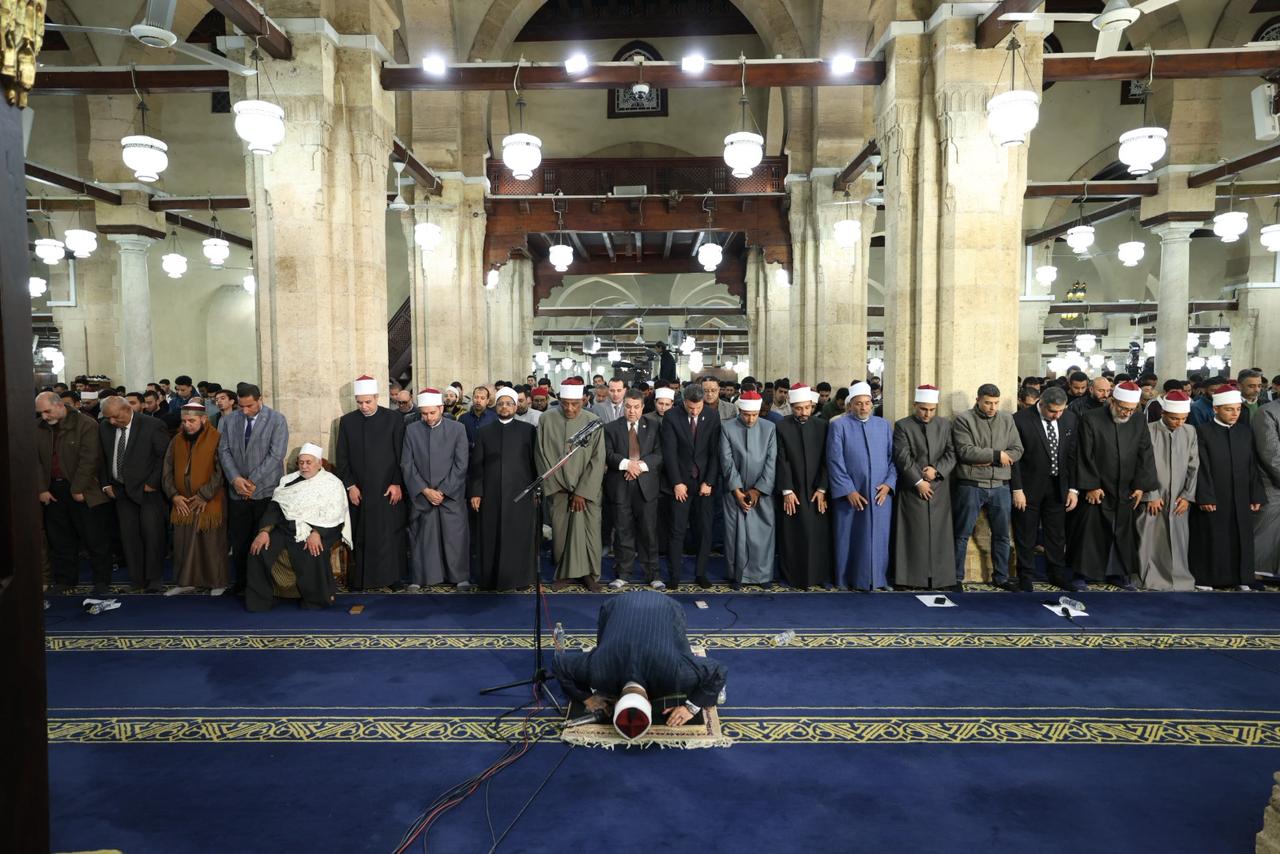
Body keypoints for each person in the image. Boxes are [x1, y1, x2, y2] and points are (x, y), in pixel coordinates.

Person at [552, 590, 727, 734]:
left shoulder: (673, 674)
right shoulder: (598, 671)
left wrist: (691, 708)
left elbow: (719, 670)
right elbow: (558, 664)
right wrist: (588, 698)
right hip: (616, 605)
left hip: (666, 607)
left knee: (683, 653)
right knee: (604, 647)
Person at [1071, 381, 1159, 590]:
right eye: (1123, 408)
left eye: (1131, 409)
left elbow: (1145, 452)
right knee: (1090, 533)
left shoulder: (1138, 419)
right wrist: (1091, 485)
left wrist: (1140, 486)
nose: (1126, 413)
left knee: (1121, 534)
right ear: (1112, 401)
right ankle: (1083, 574)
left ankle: (1117, 573)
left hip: (1125, 488)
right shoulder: (1091, 418)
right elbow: (1084, 453)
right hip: (1098, 487)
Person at [245, 443, 351, 612]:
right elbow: (275, 507)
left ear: (319, 463)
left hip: (321, 529)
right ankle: (261, 600)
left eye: (309, 462)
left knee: (313, 551)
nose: (304, 466)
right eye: (301, 462)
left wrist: (317, 532)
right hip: (286, 528)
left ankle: (316, 601)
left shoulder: (332, 483)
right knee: (259, 551)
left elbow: (335, 514)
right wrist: (264, 531)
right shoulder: (288, 481)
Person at [35, 391, 113, 595]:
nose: (44, 416)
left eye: (47, 411)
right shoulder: (38, 427)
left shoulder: (86, 424)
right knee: (60, 539)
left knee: (94, 538)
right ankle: (65, 580)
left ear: (59, 405)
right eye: (40, 413)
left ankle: (101, 581)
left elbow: (90, 460)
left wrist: (78, 488)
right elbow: (35, 461)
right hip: (52, 491)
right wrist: (41, 488)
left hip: (84, 489)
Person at [335, 375, 408, 591]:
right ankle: (362, 579)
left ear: (376, 397)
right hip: (360, 490)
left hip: (387, 488)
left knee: (389, 535)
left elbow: (402, 454)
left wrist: (396, 483)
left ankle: (393, 578)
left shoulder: (393, 419)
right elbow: (342, 458)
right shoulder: (347, 422)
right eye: (360, 402)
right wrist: (350, 486)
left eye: (368, 401)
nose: (364, 407)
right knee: (362, 535)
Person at [1189, 384, 1265, 590]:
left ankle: (1241, 578)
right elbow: (1200, 467)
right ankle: (1207, 579)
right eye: (1229, 409)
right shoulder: (1202, 432)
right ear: (1216, 409)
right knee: (1212, 537)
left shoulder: (1245, 432)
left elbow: (1252, 465)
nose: (1234, 414)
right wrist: (1205, 496)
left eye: (1238, 409)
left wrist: (1255, 494)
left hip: (1241, 494)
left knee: (1241, 537)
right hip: (1214, 495)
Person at [218, 383, 290, 596]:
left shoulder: (277, 420)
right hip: (237, 491)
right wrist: (235, 479)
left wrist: (251, 481)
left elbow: (276, 455)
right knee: (240, 541)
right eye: (241, 406)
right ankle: (241, 583)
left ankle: (263, 585)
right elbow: (224, 451)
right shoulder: (228, 420)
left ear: (260, 400)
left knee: (263, 540)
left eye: (249, 406)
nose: (245, 410)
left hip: (265, 490)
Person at [536, 377, 606, 591]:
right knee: (561, 533)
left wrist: (582, 492)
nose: (570, 408)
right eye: (565, 403)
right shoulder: (546, 420)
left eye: (575, 404)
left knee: (589, 533)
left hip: (587, 492)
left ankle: (589, 575)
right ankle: (564, 574)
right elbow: (541, 455)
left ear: (583, 400)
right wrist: (559, 485)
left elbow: (598, 460)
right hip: (559, 490)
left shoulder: (593, 422)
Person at [950, 384, 1022, 591]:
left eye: (996, 403)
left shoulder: (1007, 419)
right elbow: (966, 452)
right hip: (971, 485)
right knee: (961, 534)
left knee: (1002, 535)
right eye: (988, 403)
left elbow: (1017, 450)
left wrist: (985, 458)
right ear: (978, 400)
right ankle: (955, 577)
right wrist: (998, 456)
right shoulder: (964, 419)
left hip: (1001, 485)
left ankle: (1001, 577)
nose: (992, 407)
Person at [468, 387, 539, 591]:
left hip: (520, 494)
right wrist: (476, 492)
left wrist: (535, 490)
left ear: (516, 407)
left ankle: (520, 579)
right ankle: (490, 579)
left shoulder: (528, 431)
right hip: (491, 495)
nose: (505, 407)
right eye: (501, 404)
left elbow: (534, 462)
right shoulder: (484, 432)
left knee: (518, 536)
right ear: (495, 406)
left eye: (509, 404)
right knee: (491, 536)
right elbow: (476, 466)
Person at [99, 395, 171, 592]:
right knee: (129, 537)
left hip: (147, 491)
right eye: (107, 417)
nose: (111, 421)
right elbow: (102, 457)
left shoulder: (152, 425)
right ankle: (137, 579)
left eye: (115, 417)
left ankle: (154, 579)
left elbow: (164, 457)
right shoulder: (105, 427)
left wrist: (152, 483)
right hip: (120, 490)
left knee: (152, 534)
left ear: (126, 409)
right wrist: (106, 484)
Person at [828, 382, 896, 591]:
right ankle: (847, 579)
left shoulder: (883, 425)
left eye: (867, 403)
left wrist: (888, 484)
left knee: (879, 537)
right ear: (850, 405)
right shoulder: (839, 425)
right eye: (858, 404)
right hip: (851, 494)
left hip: (879, 494)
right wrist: (848, 490)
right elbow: (834, 461)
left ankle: (879, 579)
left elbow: (893, 460)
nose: (863, 407)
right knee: (850, 537)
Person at [1010, 385, 1079, 591]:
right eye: (1052, 411)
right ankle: (1026, 575)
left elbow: (1072, 456)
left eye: (1061, 411)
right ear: (1041, 403)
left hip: (1058, 486)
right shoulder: (1020, 419)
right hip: (1028, 487)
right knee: (1026, 533)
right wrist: (1017, 489)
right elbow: (1015, 459)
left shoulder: (1070, 419)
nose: (1057, 415)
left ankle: (1056, 573)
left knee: (1056, 535)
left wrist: (1073, 489)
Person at [402, 388, 471, 589]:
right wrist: (425, 490)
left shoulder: (458, 429)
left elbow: (461, 464)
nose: (429, 418)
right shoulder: (412, 430)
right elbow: (407, 464)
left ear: (441, 408)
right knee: (424, 538)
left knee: (454, 537)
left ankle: (459, 576)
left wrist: (443, 491)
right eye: (424, 414)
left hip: (450, 494)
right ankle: (423, 577)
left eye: (432, 413)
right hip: (423, 495)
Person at [892, 385, 957, 590]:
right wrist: (919, 482)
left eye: (931, 410)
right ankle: (909, 579)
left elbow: (951, 453)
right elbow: (902, 457)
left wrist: (936, 472)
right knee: (913, 534)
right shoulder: (902, 426)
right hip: (912, 488)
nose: (927, 414)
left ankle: (940, 579)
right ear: (915, 406)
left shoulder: (945, 425)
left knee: (940, 535)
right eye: (923, 409)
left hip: (939, 487)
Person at [162, 400, 229, 595]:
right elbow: (167, 469)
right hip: (182, 502)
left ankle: (217, 583)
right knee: (183, 544)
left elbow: (220, 471)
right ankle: (186, 582)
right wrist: (174, 495)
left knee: (211, 543)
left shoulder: (217, 438)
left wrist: (203, 495)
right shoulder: (176, 440)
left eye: (192, 421)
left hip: (209, 501)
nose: (187, 425)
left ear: (204, 419)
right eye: (184, 421)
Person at [1133, 390, 1198, 591]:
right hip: (1153, 496)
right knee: (1149, 539)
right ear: (1163, 413)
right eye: (1174, 418)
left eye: (1183, 418)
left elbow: (1194, 466)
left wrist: (1187, 496)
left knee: (1178, 541)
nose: (1179, 423)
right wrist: (1151, 494)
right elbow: (1141, 464)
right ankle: (1148, 579)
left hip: (1178, 497)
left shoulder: (1190, 431)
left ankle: (1178, 580)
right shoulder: (1148, 429)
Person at [660, 383, 721, 589]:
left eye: (698, 407)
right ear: (684, 401)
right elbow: (669, 453)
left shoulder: (712, 416)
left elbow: (715, 453)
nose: (694, 411)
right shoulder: (672, 416)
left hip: (704, 483)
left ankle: (700, 573)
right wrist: (677, 482)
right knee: (677, 530)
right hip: (680, 483)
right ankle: (675, 575)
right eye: (690, 407)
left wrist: (709, 481)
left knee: (704, 530)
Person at [603, 389, 663, 589]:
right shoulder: (611, 428)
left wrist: (638, 467)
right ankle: (623, 574)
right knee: (623, 532)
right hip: (620, 487)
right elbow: (608, 453)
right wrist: (627, 464)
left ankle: (653, 574)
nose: (632, 411)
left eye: (636, 407)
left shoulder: (653, 426)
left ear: (643, 407)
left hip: (646, 488)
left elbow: (658, 454)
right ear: (623, 406)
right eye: (628, 406)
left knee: (649, 532)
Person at [775, 384, 831, 589]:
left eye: (807, 408)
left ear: (812, 406)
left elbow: (828, 459)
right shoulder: (782, 426)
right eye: (798, 408)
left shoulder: (823, 426)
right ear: (791, 407)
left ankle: (817, 575)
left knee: (817, 534)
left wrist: (822, 488)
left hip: (817, 491)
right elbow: (781, 459)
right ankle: (793, 576)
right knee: (793, 534)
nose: (803, 412)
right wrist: (787, 490)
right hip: (793, 490)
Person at [718, 391, 776, 589]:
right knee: (735, 535)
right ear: (739, 411)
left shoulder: (769, 428)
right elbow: (726, 462)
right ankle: (737, 576)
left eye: (754, 415)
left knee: (762, 534)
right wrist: (737, 491)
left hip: (762, 491)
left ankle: (763, 575)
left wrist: (758, 491)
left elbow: (771, 462)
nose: (750, 419)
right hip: (734, 491)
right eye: (746, 415)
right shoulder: (727, 427)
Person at [1254, 395, 1280, 584]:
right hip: (1272, 482)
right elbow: (1270, 453)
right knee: (1267, 530)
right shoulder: (1267, 412)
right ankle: (1256, 573)